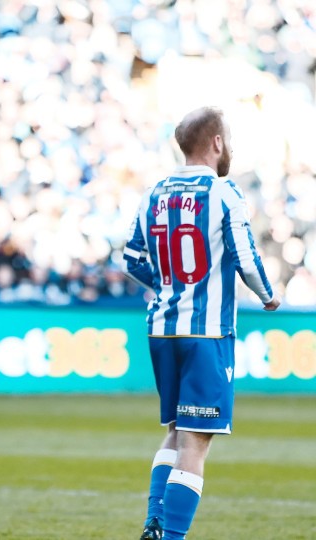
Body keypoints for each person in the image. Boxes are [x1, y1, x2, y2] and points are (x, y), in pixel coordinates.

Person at [121, 107, 280, 540]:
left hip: (161, 328)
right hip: (206, 333)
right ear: (216, 143)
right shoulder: (224, 193)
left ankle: (154, 524)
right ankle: (170, 537)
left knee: (176, 432)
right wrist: (269, 295)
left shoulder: (153, 192)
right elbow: (246, 259)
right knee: (197, 440)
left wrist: (170, 286)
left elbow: (131, 257)